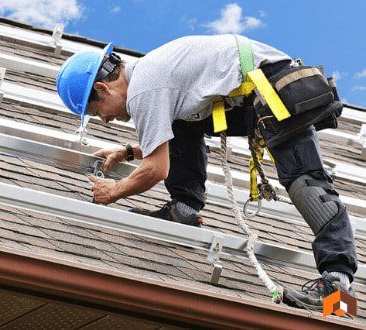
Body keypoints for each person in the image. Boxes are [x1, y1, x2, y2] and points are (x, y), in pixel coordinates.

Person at [56, 35, 357, 311]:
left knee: (306, 185)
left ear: (102, 88)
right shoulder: (150, 77)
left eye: (97, 112)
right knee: (180, 121)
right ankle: (184, 208)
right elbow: (164, 138)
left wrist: (114, 191)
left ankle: (337, 291)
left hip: (273, 87)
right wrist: (131, 151)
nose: (106, 120)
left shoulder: (143, 89)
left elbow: (156, 169)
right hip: (250, 92)